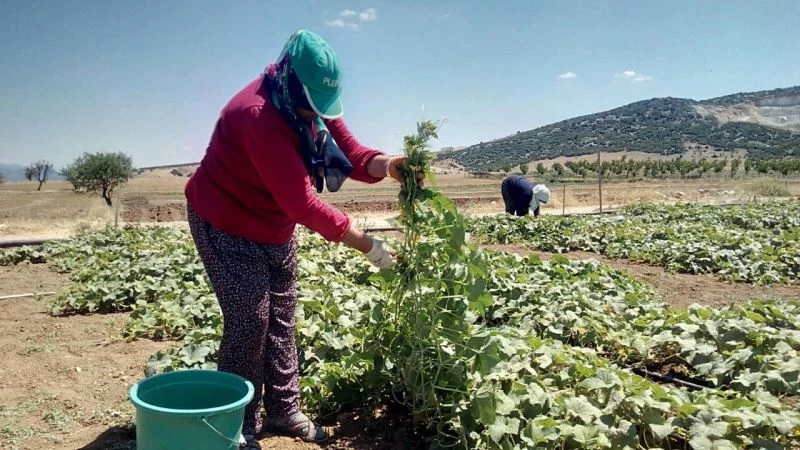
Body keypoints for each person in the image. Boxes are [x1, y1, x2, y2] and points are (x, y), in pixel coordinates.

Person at [184, 30, 420, 449]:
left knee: (282, 318)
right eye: (312, 106)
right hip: (224, 222)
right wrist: (371, 247)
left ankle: (284, 411)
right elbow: (302, 204)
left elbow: (353, 154)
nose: (318, 115)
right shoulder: (256, 114)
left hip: (274, 226)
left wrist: (390, 165)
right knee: (250, 321)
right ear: (291, 80)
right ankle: (238, 425)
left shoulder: (310, 102)